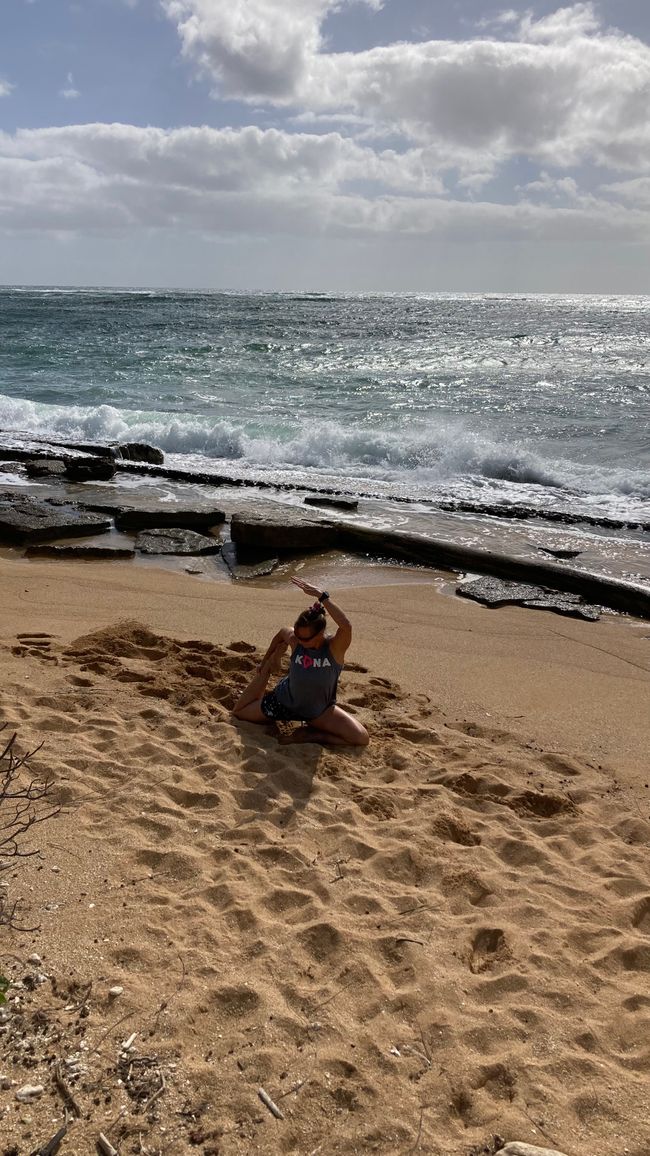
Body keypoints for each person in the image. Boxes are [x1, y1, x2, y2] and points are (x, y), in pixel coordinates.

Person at [231, 576, 369, 747]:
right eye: (297, 636)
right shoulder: (297, 640)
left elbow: (346, 625)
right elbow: (283, 632)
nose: (299, 641)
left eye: (305, 639)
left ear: (319, 634)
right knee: (239, 712)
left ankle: (312, 735)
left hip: (318, 712)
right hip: (283, 703)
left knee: (361, 738)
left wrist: (322, 596)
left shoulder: (334, 648)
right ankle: (268, 671)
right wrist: (266, 660)